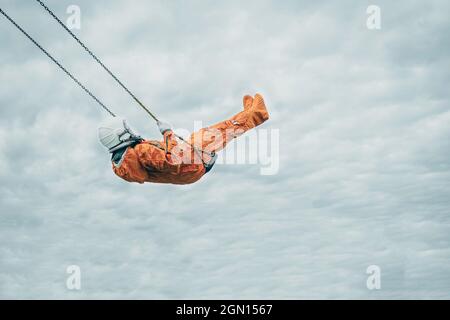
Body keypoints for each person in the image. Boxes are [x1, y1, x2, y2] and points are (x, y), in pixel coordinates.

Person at [98, 93, 269, 184]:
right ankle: (256, 115)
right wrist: (167, 133)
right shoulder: (141, 152)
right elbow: (173, 157)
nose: (132, 131)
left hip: (186, 174)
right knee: (217, 134)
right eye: (128, 130)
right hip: (189, 164)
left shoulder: (122, 164)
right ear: (121, 135)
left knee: (205, 134)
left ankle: (246, 113)